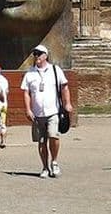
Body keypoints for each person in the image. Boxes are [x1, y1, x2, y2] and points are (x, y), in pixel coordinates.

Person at [20, 44, 72, 178]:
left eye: (39, 54)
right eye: (35, 54)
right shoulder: (30, 73)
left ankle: (54, 162)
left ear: (45, 56)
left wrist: (67, 103)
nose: (36, 56)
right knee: (42, 141)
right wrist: (28, 109)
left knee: (53, 136)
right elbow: (26, 93)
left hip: (53, 110)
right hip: (37, 113)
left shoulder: (55, 70)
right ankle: (45, 167)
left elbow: (64, 87)